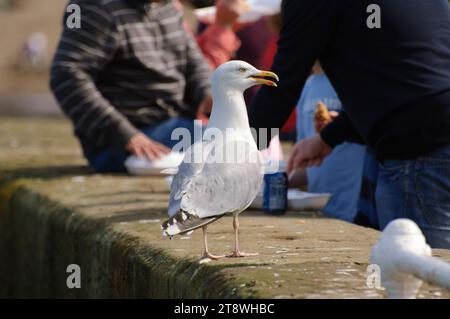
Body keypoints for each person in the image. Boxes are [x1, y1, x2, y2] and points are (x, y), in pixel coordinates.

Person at [249, 0, 450, 248]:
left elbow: (281, 84)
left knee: (420, 279)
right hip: (428, 136)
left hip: (421, 150)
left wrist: (234, 156)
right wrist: (329, 137)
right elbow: (409, 74)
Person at [50, 0, 246, 173]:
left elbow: (193, 62)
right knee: (237, 150)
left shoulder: (166, 6)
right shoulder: (97, 8)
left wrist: (208, 94)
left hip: (173, 125)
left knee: (248, 143)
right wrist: (125, 135)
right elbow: (66, 75)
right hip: (121, 143)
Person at [290, 62, 366, 223]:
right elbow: (307, 166)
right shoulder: (309, 85)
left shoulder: (363, 81)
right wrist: (277, 181)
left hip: (360, 214)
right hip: (319, 214)